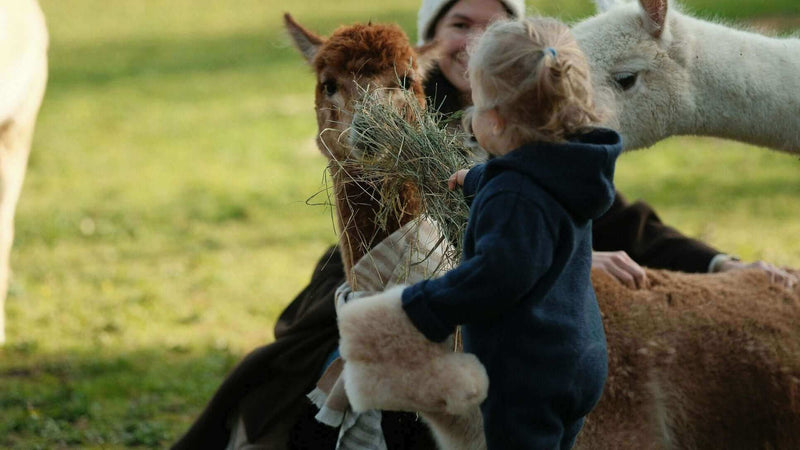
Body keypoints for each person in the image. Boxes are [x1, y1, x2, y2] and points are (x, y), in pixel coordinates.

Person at [173, 0, 796, 448]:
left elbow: (612, 222)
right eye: (458, 25)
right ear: (431, 40)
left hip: (506, 348)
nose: (473, 41)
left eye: (492, 25)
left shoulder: (534, 123)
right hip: (452, 295)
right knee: (293, 374)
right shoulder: (421, 115)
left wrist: (715, 262)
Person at [399, 17, 619, 448]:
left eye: (477, 105)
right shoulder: (571, 168)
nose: (472, 114)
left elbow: (497, 275)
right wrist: (477, 180)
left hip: (526, 374)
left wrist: (424, 305)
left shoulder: (514, 195)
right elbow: (526, 185)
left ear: (496, 121)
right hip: (579, 357)